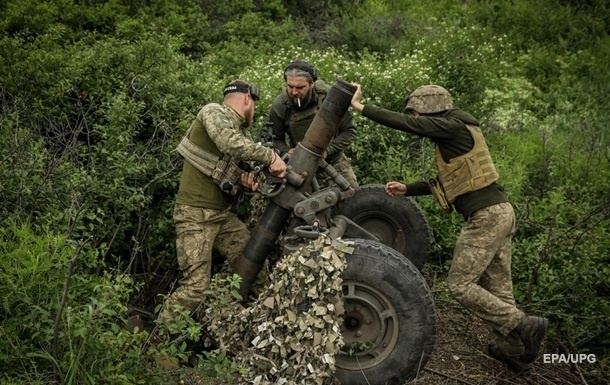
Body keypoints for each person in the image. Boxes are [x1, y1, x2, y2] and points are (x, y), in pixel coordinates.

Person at [350, 83, 548, 373]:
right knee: (499, 289)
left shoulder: (453, 127)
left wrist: (361, 107)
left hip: (487, 216)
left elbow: (405, 124)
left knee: (460, 285)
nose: (416, 118)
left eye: (417, 113)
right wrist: (409, 189)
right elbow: (455, 181)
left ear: (431, 108)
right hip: (500, 212)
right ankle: (513, 350)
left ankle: (523, 325)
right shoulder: (459, 133)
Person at [158, 80, 287, 328]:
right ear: (247, 98)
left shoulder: (243, 134)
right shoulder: (213, 112)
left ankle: (266, 329)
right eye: (254, 105)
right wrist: (270, 155)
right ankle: (158, 343)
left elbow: (238, 171)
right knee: (196, 287)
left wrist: (249, 184)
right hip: (194, 215)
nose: (254, 112)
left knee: (254, 265)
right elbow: (228, 142)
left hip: (222, 217)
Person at [266, 60, 359, 188]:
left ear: (311, 84)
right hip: (301, 169)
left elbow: (349, 131)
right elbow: (275, 138)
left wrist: (328, 151)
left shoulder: (331, 97)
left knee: (352, 201)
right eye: (290, 86)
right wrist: (286, 151)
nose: (294, 92)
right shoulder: (281, 105)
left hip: (335, 164)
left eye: (300, 87)